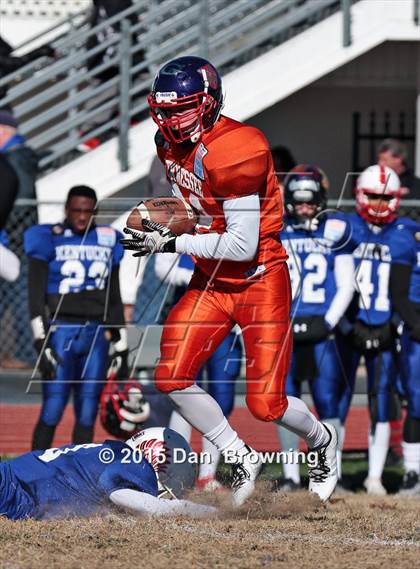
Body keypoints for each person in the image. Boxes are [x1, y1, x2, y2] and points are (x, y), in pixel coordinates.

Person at [121, 56, 338, 506]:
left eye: (183, 107)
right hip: (213, 280)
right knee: (171, 375)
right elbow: (197, 210)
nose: (171, 119)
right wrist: (168, 222)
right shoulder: (168, 143)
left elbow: (241, 245)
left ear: (209, 101)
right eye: (165, 109)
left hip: (259, 278)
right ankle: (238, 454)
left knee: (267, 404)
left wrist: (169, 244)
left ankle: (321, 441)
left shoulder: (239, 148)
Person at [24, 185, 127, 450]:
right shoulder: (47, 237)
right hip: (61, 331)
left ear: (96, 211)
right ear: (67, 210)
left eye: (88, 211)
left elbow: (113, 294)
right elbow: (35, 295)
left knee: (87, 410)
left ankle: (80, 481)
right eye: (77, 210)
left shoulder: (108, 238)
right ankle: (34, 473)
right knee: (53, 407)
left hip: (95, 334)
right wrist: (40, 339)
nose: (82, 216)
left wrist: (120, 338)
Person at [276, 165, 355, 490]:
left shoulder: (336, 228)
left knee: (326, 401)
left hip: (323, 330)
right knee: (283, 401)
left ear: (321, 199)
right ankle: (291, 477)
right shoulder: (278, 230)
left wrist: (328, 322)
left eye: (310, 201)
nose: (305, 207)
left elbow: (347, 283)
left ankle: (329, 475)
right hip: (286, 328)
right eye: (298, 201)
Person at [337, 164, 414, 495]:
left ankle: (374, 477)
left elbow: (411, 288)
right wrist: (341, 323)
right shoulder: (343, 227)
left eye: (386, 198)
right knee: (335, 402)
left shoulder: (407, 232)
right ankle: (332, 473)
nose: (380, 204)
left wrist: (397, 322)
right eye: (373, 196)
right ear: (359, 195)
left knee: (382, 401)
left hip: (386, 328)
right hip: (347, 326)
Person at [156, 252, 242, 491]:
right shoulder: (181, 222)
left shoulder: (235, 226)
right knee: (181, 390)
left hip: (226, 324)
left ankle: (207, 474)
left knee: (221, 397)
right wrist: (200, 277)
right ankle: (175, 471)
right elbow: (163, 269)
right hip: (189, 321)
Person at [0, 427, 216, 520]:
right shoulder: (130, 464)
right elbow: (150, 507)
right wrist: (215, 513)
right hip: (14, 491)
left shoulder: (109, 454)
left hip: (14, 481)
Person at [0, 108, 39, 368]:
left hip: (14, 240)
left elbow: (19, 203)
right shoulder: (16, 156)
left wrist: (7, 226)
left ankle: (27, 355)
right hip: (13, 239)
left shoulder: (16, 158)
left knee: (21, 297)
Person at [389, 217, 420, 493]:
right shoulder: (407, 238)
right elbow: (397, 293)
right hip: (416, 327)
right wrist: (416, 324)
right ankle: (413, 473)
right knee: (417, 399)